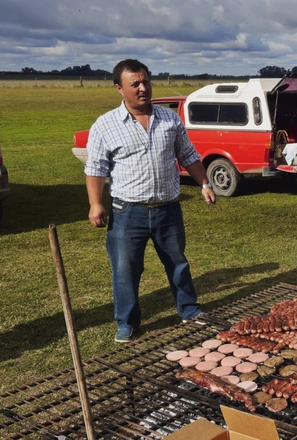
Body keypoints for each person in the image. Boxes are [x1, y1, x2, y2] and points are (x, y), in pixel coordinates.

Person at [84, 59, 215, 343]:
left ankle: (190, 310)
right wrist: (95, 204)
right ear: (120, 88)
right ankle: (127, 322)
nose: (143, 89)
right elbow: (95, 168)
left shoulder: (170, 119)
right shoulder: (105, 125)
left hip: (168, 209)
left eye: (146, 82)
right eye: (135, 84)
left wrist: (204, 183)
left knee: (178, 263)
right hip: (127, 212)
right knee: (125, 270)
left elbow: (188, 155)